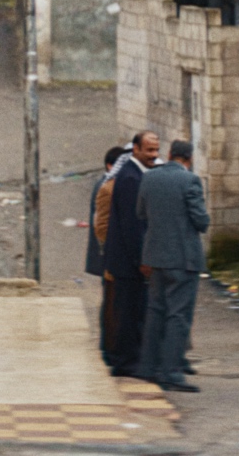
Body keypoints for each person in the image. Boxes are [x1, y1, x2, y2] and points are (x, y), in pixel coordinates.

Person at [135, 139, 209, 393]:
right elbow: (201, 221)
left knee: (156, 311)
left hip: (156, 257)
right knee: (178, 315)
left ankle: (148, 367)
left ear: (169, 154)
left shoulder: (149, 178)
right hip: (183, 258)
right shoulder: (190, 181)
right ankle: (171, 372)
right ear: (189, 158)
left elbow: (141, 213)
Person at [101, 131, 158, 379]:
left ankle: (130, 359)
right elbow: (132, 225)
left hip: (127, 260)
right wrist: (142, 260)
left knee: (132, 310)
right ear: (136, 149)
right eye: (149, 150)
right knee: (128, 312)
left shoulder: (135, 175)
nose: (154, 155)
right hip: (127, 262)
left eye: (156, 150)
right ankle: (126, 362)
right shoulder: (131, 178)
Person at [87, 145, 128, 370]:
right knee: (112, 302)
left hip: (109, 255)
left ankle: (110, 345)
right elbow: (102, 225)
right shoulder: (105, 186)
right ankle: (109, 347)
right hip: (109, 255)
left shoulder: (107, 183)